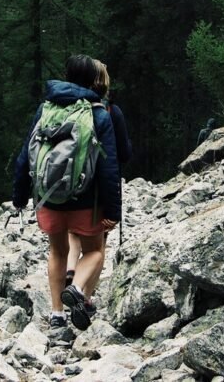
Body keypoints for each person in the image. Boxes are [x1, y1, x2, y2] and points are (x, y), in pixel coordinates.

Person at [12, 55, 121, 331]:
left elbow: (26, 155)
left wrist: (20, 196)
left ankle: (57, 314)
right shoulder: (97, 113)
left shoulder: (46, 109)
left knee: (57, 252)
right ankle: (79, 290)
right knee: (94, 250)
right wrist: (113, 211)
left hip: (49, 199)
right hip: (87, 201)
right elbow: (109, 168)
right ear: (93, 79)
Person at [66, 61, 132, 300]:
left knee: (73, 233)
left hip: (68, 183)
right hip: (96, 192)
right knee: (96, 247)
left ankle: (70, 269)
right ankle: (84, 298)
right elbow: (123, 154)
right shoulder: (111, 112)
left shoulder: (67, 108)